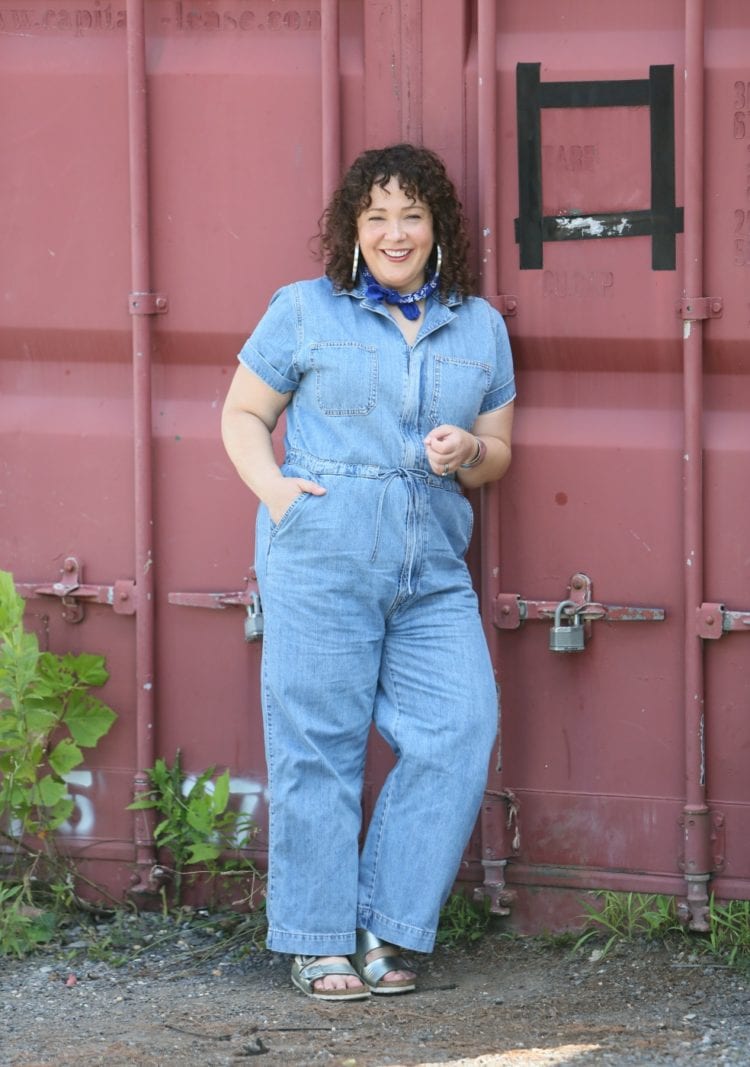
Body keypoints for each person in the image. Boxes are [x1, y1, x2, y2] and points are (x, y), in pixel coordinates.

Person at [221, 143, 515, 1001]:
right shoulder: (306, 310)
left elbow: (499, 452)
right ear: (354, 227)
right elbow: (243, 412)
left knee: (461, 725)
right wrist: (277, 493)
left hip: (432, 562)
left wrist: (470, 451)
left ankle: (389, 924)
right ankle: (318, 939)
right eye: (378, 215)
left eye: (412, 215)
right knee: (318, 744)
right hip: (321, 549)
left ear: (437, 229)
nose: (395, 232)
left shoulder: (479, 326)